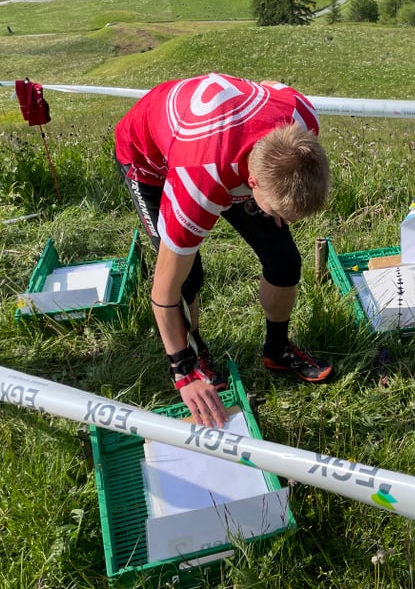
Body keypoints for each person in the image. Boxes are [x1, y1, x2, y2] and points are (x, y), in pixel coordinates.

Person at [115, 73, 333, 428]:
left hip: (227, 146)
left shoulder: (302, 117)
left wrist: (276, 211)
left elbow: (270, 83)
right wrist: (181, 369)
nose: (279, 218)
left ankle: (277, 350)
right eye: (276, 211)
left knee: (285, 260)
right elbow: (163, 293)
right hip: (150, 161)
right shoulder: (197, 180)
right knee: (187, 278)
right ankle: (197, 351)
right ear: (251, 183)